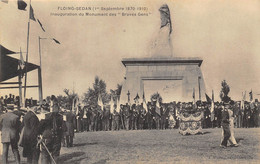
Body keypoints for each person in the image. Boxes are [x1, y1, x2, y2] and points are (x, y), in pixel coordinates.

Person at [38, 95, 66, 164]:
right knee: (55, 155)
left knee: (45, 155)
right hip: (57, 137)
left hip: (47, 138)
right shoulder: (61, 117)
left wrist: (40, 134)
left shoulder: (45, 116)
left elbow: (39, 128)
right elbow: (64, 128)